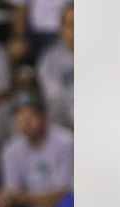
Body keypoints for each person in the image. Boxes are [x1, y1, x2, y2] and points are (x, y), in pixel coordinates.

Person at [37, 2, 73, 130]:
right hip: (64, 119)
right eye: (69, 25)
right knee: (54, 107)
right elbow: (53, 96)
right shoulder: (49, 58)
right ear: (61, 28)